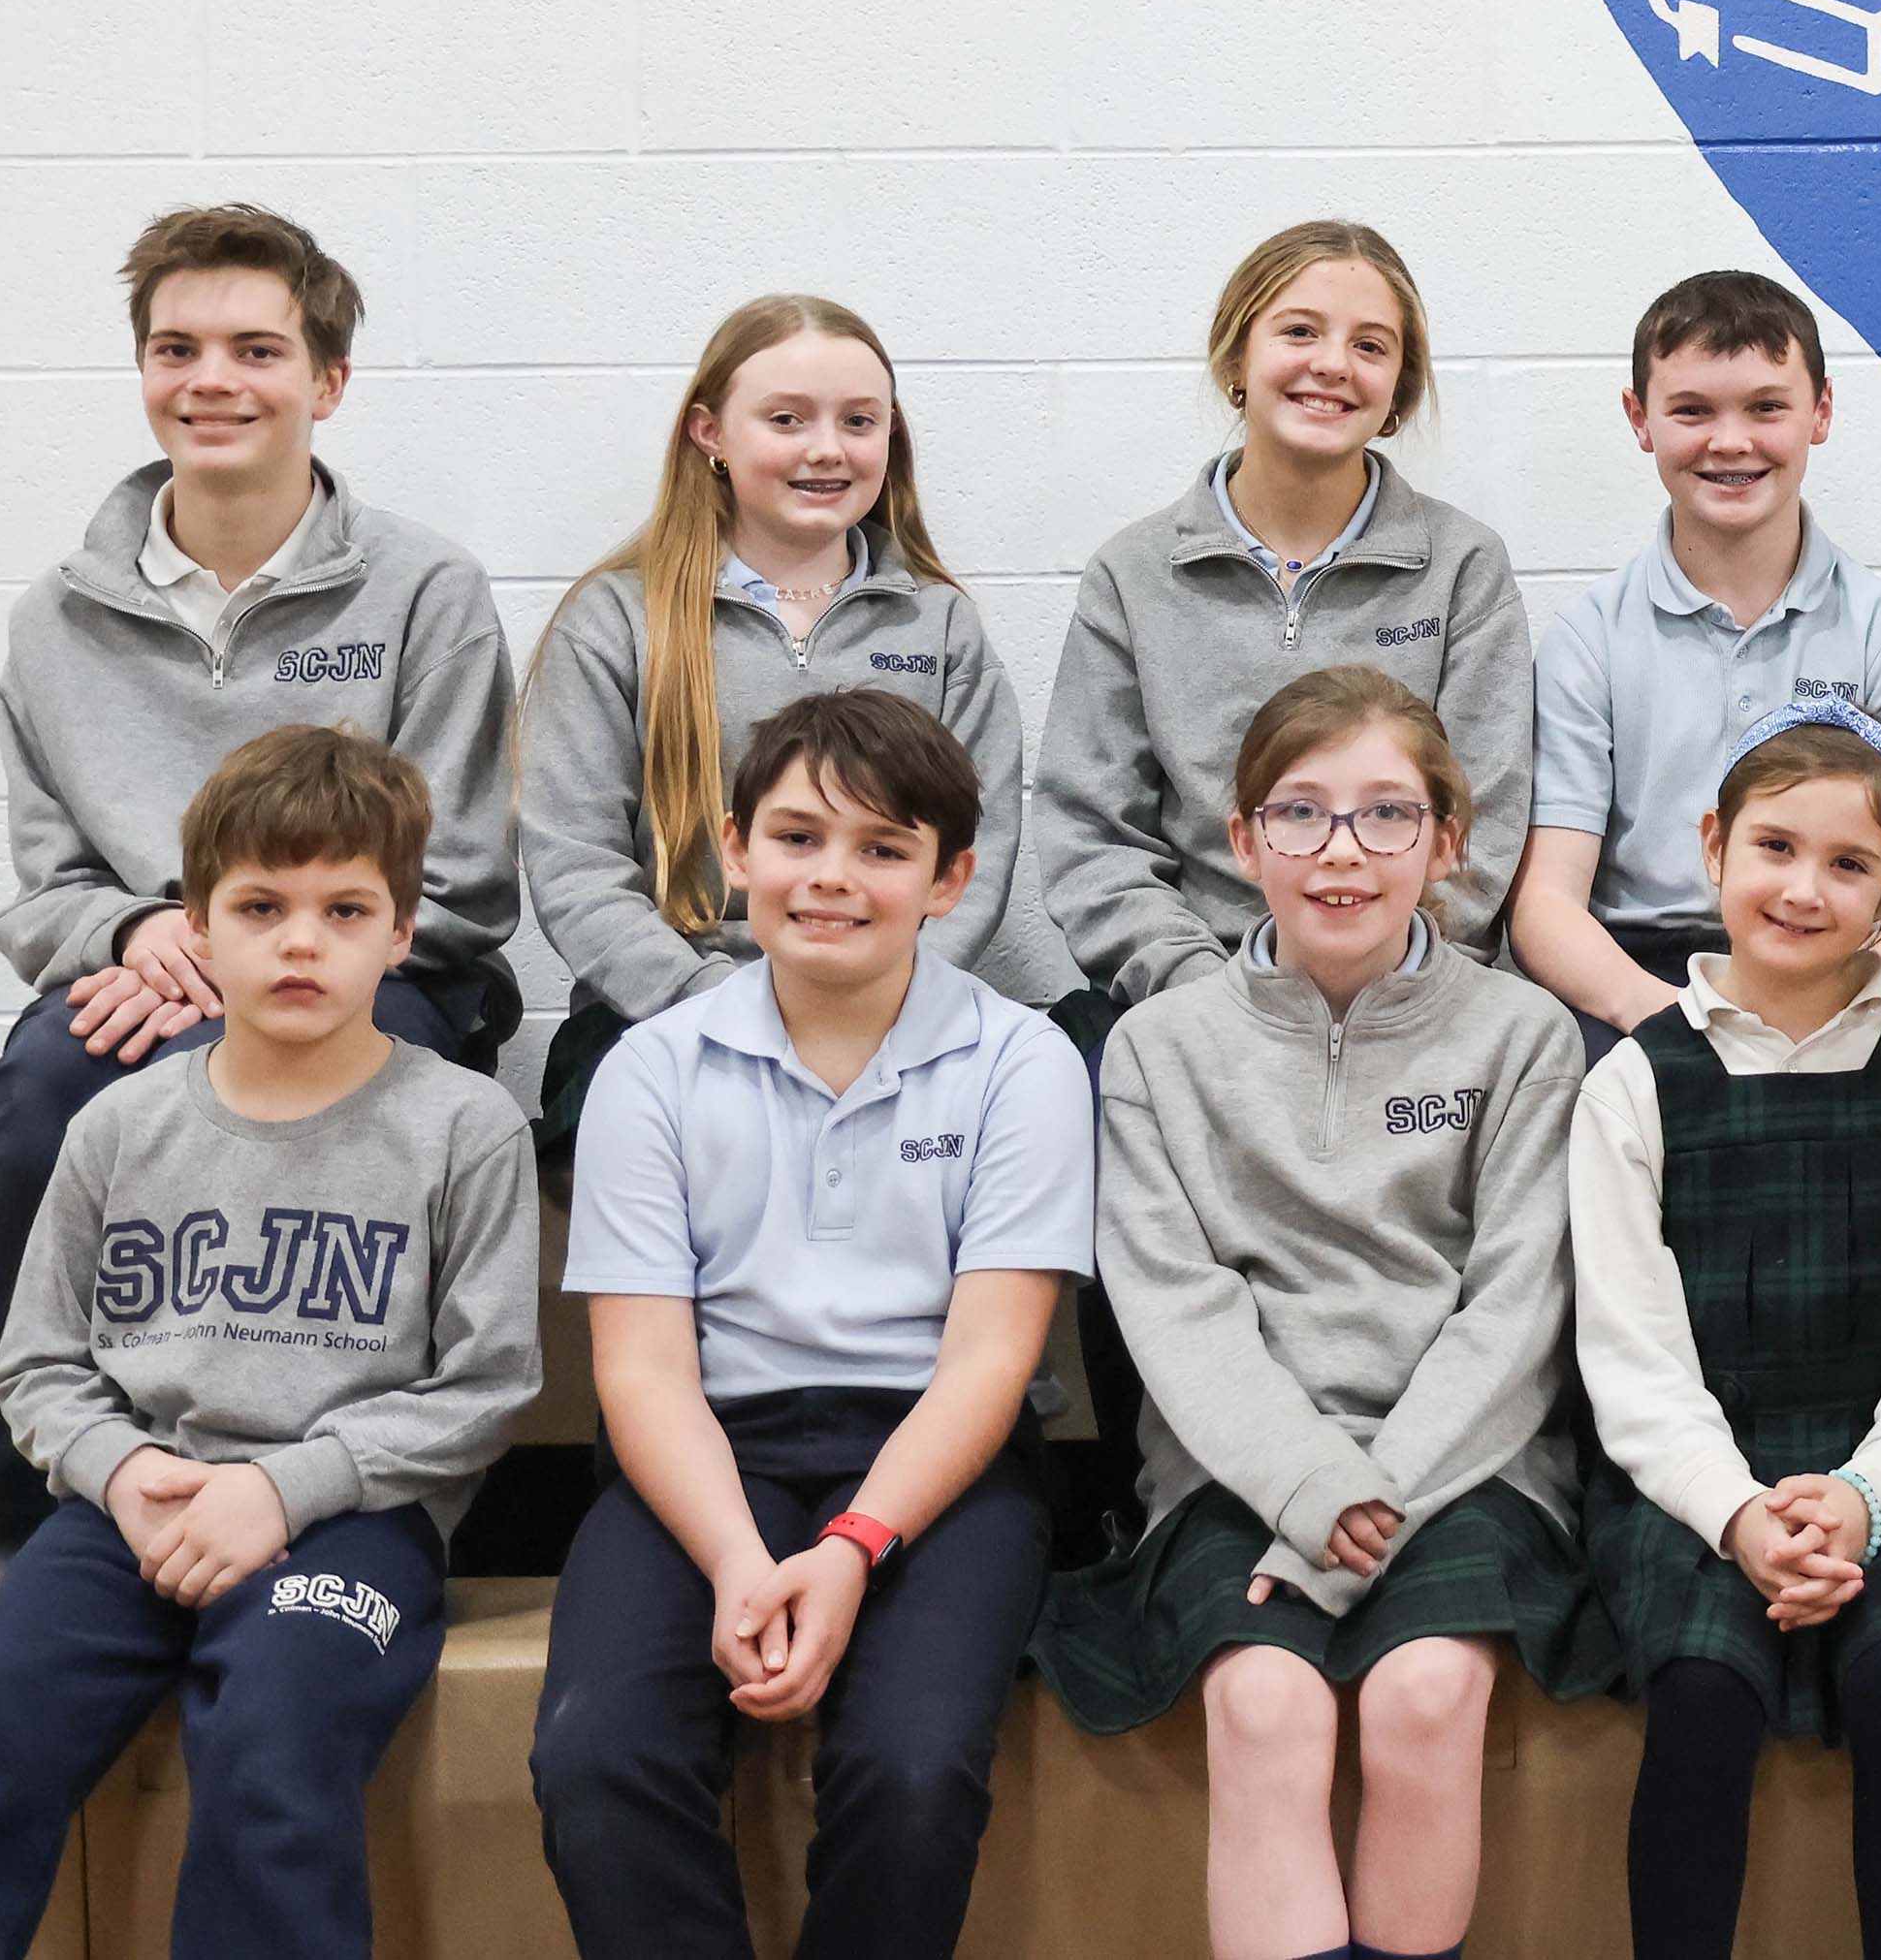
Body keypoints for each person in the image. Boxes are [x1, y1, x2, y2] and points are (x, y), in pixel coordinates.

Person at [0, 727, 539, 1960]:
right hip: (133, 1511)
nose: (301, 940)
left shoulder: (465, 1128)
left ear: (402, 933)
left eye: (345, 908)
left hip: (352, 1520)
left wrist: (283, 1488)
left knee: (273, 1762)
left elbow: (487, 1385)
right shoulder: (118, 1125)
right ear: (196, 926)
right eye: (260, 905)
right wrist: (125, 1472)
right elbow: (36, 1364)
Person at [0, 203, 519, 1580]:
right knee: (29, 1110)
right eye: (176, 347)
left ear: (328, 380)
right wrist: (145, 931)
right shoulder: (55, 616)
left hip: (377, 970)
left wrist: (260, 952)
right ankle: (4, 1520)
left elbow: (463, 879)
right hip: (147, 962)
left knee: (324, 1095)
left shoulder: (426, 589)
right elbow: (47, 885)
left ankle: (345, 1494)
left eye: (257, 349)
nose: (212, 379)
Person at [1036, 665, 1599, 1960]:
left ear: (1447, 843)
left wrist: (1377, 1493)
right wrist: (1304, 1483)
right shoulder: (1159, 1047)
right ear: (1244, 840)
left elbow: (1514, 1305)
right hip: (1238, 1463)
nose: (1343, 849)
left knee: (1425, 1693)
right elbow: (1177, 1309)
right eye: (1301, 812)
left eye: (1388, 813)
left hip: (1465, 1462)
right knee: (1266, 1707)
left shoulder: (1523, 1035)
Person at [528, 691, 1095, 1960]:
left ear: (950, 880)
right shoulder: (651, 1068)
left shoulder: (1024, 1064)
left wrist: (848, 1549)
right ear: (735, 850)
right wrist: (739, 1560)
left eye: (882, 847)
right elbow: (643, 1372)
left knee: (912, 1763)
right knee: (597, 1753)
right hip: (706, 1454)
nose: (832, 875)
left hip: (936, 1459)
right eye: (797, 837)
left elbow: (992, 1360)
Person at [1571, 702, 1881, 1960]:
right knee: (1702, 1689)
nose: (1805, 887)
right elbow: (1633, 1355)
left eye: (1848, 862)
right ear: (1713, 844)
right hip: (1694, 1476)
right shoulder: (1635, 1082)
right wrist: (1738, 1512)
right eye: (1775, 846)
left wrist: (1867, 1492)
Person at [517, 294, 1037, 1160]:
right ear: (709, 434)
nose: (826, 448)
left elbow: (975, 852)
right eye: (786, 419)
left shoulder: (940, 627)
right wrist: (718, 1006)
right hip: (663, 1015)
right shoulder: (616, 623)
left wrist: (885, 1006)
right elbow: (574, 865)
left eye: (858, 421)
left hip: (891, 1016)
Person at [1032, 218, 1534, 1005]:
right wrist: (1206, 998)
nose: (1332, 364)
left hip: (1408, 996)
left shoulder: (1464, 567)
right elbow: (1092, 834)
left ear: (1397, 393)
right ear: (1236, 359)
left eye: (1370, 346)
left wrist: (1386, 986)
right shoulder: (1132, 575)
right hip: (1191, 1000)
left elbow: (1482, 823)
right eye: (1299, 331)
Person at [1517, 270, 1881, 1032]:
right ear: (1639, 419)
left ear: (1820, 411)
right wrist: (1682, 1026)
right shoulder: (1588, 640)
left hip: (1849, 973)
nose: (1730, 441)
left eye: (1766, 407)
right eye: (1692, 410)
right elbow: (1545, 905)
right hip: (1646, 980)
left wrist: (1823, 1020)